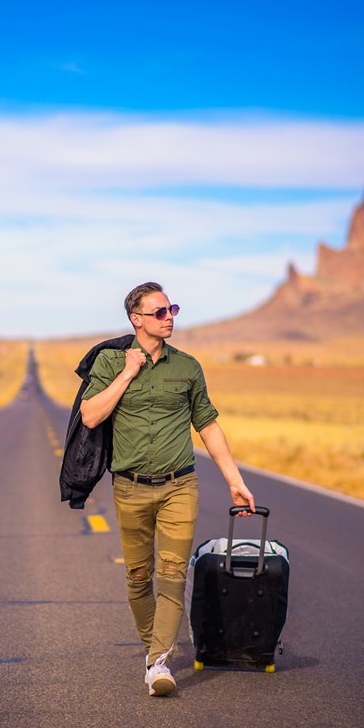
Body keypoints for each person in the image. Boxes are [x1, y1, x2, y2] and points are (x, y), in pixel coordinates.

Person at [79, 281, 256, 697]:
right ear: (136, 319)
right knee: (139, 577)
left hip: (180, 485)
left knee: (173, 574)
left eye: (172, 308)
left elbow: (208, 425)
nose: (170, 316)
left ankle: (160, 661)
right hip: (130, 487)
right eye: (159, 312)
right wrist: (127, 373)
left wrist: (236, 481)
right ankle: (152, 651)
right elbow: (90, 415)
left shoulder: (188, 367)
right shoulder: (109, 361)